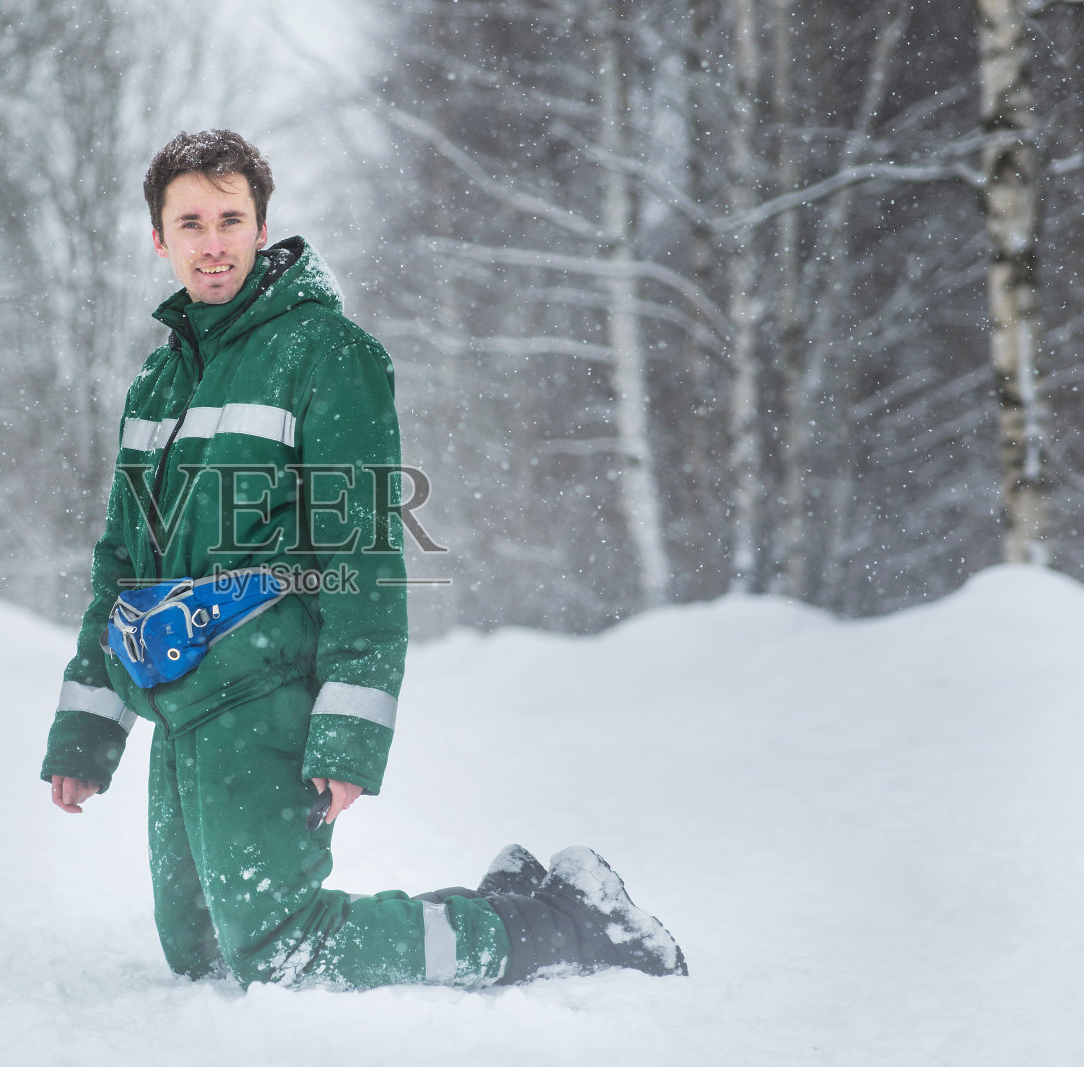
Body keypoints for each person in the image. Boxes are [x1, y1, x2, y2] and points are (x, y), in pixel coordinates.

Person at [40, 129, 686, 989]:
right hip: (180, 701)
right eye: (189, 223)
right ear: (160, 238)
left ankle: (564, 925)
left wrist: (346, 734)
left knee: (282, 951)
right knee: (200, 953)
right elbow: (122, 564)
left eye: (230, 220)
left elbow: (364, 557)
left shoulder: (326, 354)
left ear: (261, 226)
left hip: (267, 692)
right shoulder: (157, 385)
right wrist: (88, 731)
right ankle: (507, 897)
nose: (212, 242)